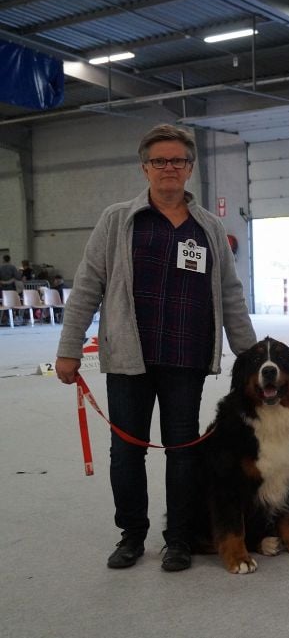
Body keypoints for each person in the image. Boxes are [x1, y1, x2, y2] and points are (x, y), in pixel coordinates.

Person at [54, 124, 256, 573]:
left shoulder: (209, 227)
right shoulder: (118, 219)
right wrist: (69, 348)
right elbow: (88, 285)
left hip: (186, 357)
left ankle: (179, 538)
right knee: (127, 450)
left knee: (183, 449)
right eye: (159, 161)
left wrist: (252, 358)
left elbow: (230, 294)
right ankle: (132, 535)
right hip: (130, 356)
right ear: (145, 168)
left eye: (178, 161)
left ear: (189, 168)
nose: (169, 168)